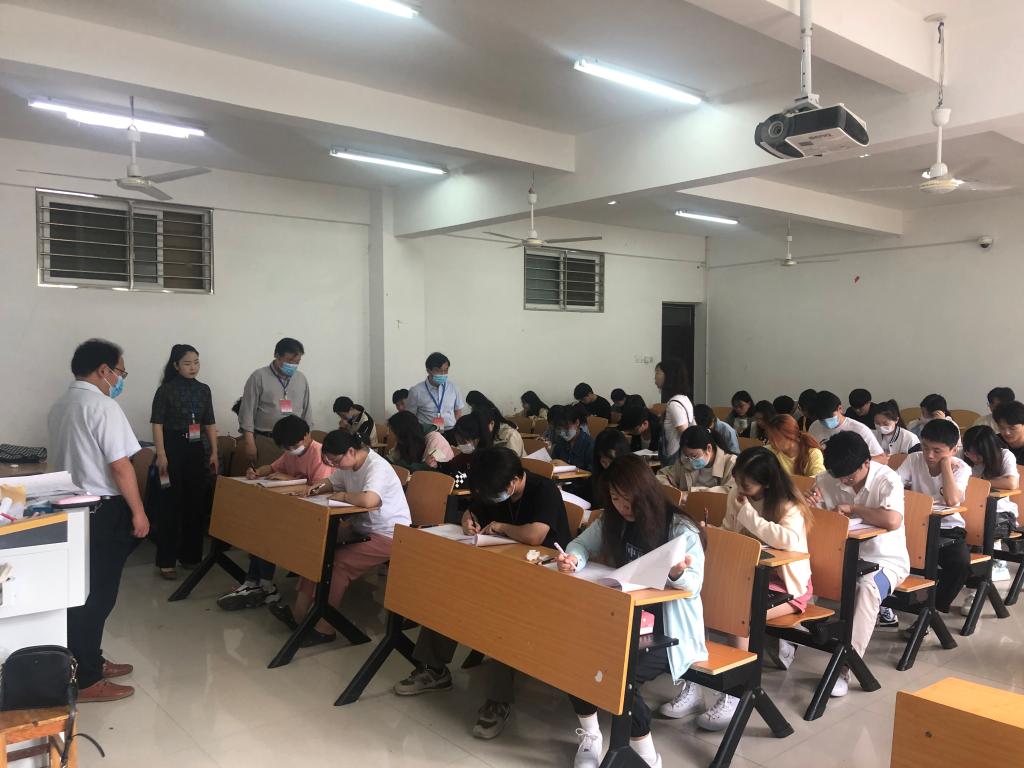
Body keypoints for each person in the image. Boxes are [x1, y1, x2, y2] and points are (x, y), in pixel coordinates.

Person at [394, 447, 570, 740]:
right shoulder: (494, 485)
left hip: (545, 577)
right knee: (451, 593)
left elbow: (535, 535)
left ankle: (498, 701)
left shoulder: (544, 490)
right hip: (502, 568)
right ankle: (434, 670)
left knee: (503, 614)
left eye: (495, 493)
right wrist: (467, 520)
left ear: (513, 481)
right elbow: (474, 509)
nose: (491, 498)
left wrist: (501, 526)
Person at [558, 455, 706, 768]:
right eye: (615, 498)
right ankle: (592, 734)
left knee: (622, 674)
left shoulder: (680, 528)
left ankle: (646, 754)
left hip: (668, 631)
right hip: (624, 617)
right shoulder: (612, 519)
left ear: (646, 494)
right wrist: (573, 560)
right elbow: (580, 545)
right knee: (574, 654)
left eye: (628, 500)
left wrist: (677, 573)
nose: (622, 507)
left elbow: (693, 585)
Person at [48, 339, 149, 702]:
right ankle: (87, 678)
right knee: (98, 597)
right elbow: (121, 466)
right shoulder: (103, 406)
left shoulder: (61, 405)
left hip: (69, 510)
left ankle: (88, 660)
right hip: (102, 510)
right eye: (120, 372)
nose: (120, 379)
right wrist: (138, 511)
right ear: (104, 370)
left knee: (80, 593)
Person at [691, 448, 812, 730]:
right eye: (737, 481)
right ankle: (692, 685)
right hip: (747, 574)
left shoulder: (788, 505)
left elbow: (787, 541)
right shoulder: (738, 494)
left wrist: (748, 516)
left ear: (766, 483)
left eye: (747, 484)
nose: (740, 488)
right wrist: (712, 533)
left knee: (738, 615)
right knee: (696, 599)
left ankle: (736, 693)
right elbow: (729, 529)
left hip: (787, 584)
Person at [270, 431, 410, 645]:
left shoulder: (377, 467)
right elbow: (330, 482)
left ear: (351, 451)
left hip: (390, 533)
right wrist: (314, 489)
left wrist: (344, 496)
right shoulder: (347, 464)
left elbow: (369, 500)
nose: (334, 465)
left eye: (335, 461)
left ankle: (324, 629)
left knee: (337, 564)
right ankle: (299, 615)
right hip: (361, 527)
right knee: (318, 551)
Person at [810, 432, 909, 696]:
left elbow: (892, 520)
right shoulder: (826, 479)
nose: (843, 481)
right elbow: (813, 522)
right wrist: (809, 507)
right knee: (797, 574)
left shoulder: (887, 479)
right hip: (839, 556)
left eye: (849, 477)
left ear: (866, 462)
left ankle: (845, 667)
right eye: (838, 476)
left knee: (866, 589)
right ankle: (789, 641)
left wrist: (853, 508)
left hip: (884, 561)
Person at [217, 416, 333, 610]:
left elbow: (318, 489)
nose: (291, 450)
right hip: (293, 507)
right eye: (286, 448)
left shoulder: (319, 454)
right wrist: (257, 472)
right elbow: (272, 467)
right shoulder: (290, 451)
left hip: (314, 515)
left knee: (268, 530)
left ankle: (263, 585)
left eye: (293, 446)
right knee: (261, 525)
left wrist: (288, 479)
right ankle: (256, 583)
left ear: (307, 435)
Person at [150, 344, 218, 580]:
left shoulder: (204, 390)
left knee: (195, 503)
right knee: (169, 504)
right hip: (171, 448)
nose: (193, 367)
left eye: (196, 362)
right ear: (176, 365)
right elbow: (157, 424)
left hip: (196, 449)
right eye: (187, 363)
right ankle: (166, 561)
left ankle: (191, 557)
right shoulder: (165, 390)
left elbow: (209, 422)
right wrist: (161, 454)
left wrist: (214, 452)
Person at [896, 419, 972, 613]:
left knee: (960, 563)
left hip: (948, 528)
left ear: (954, 450)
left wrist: (945, 465)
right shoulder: (914, 459)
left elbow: (952, 500)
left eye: (937, 451)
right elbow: (892, 486)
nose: (929, 455)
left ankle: (932, 609)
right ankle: (907, 604)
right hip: (915, 524)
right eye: (925, 447)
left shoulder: (961, 468)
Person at [961, 425, 1019, 598]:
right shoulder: (965, 457)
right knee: (951, 531)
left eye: (977, 455)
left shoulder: (1004, 456)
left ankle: (976, 590)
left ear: (988, 450)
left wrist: (978, 482)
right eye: (969, 453)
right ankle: (966, 576)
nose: (973, 458)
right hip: (971, 512)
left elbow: (1011, 483)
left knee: (978, 532)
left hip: (1002, 516)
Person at [239, 338, 310, 466]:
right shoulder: (258, 377)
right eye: (290, 361)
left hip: (296, 445)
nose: (293, 365)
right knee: (265, 476)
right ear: (277, 355)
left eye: (297, 362)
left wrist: (307, 443)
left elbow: (307, 412)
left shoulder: (301, 379)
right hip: (267, 441)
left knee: (292, 478)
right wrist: (249, 443)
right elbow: (247, 412)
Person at [657, 426, 737, 500]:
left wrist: (691, 494)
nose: (690, 460)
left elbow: (731, 492)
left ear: (709, 448)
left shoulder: (732, 463)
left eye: (694, 456)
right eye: (687, 456)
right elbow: (662, 476)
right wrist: (673, 492)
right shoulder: (686, 461)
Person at [808, 391, 884, 458]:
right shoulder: (814, 426)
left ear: (840, 408)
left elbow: (881, 458)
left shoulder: (860, 430)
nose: (826, 421)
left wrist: (856, 463)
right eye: (822, 419)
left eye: (829, 417)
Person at [406, 352, 464, 433]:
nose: (443, 374)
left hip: (450, 432)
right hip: (427, 433)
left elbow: (458, 411)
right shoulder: (416, 391)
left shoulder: (453, 388)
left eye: (446, 370)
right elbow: (410, 416)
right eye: (438, 371)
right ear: (428, 370)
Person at [655, 358, 694, 465]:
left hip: (675, 461)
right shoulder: (684, 398)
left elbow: (686, 436)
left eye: (658, 372)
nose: (655, 377)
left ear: (669, 376)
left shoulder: (675, 404)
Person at [387, 410, 454, 471]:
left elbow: (429, 470)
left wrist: (400, 463)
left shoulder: (435, 439)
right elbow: (392, 459)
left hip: (439, 477)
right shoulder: (407, 440)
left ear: (403, 433)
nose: (389, 434)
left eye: (393, 431)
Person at [549, 405, 595, 471]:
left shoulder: (590, 445)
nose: (562, 432)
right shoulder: (560, 442)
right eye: (559, 429)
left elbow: (592, 473)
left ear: (577, 422)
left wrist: (570, 468)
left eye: (566, 428)